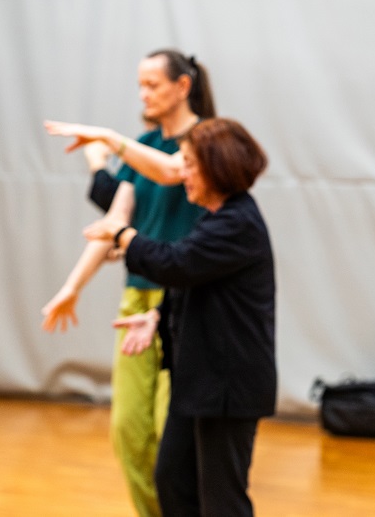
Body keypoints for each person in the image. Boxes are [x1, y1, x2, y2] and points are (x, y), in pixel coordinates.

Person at [42, 49, 214, 517]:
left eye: (153, 85)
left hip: (184, 302)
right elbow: (116, 222)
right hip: (136, 298)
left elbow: (171, 170)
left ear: (183, 86)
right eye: (140, 85)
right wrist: (72, 287)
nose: (144, 94)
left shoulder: (204, 142)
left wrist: (108, 142)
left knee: (170, 432)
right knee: (127, 429)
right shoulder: (142, 142)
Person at [86, 117, 275, 517]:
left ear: (217, 167)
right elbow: (195, 279)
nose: (181, 174)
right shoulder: (216, 217)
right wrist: (156, 315)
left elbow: (177, 264)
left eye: (189, 165)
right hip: (200, 381)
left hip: (227, 387)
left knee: (223, 501)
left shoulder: (237, 221)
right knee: (173, 480)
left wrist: (121, 233)